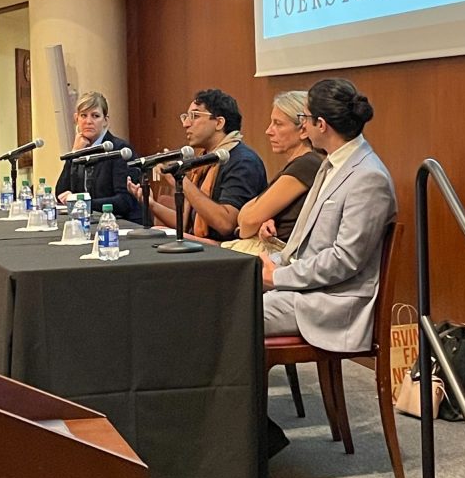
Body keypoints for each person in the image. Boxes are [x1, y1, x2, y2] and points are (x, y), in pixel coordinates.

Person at [262, 78, 397, 352]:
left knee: (231, 314)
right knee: (225, 296)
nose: (303, 125)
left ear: (321, 125)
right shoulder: (332, 163)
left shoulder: (368, 176)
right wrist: (264, 264)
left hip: (333, 302)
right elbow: (304, 245)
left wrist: (277, 277)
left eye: (305, 118)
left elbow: (345, 259)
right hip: (308, 289)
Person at [131, 88, 268, 241]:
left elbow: (226, 224)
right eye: (186, 117)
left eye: (194, 116)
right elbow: (186, 224)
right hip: (204, 247)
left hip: (229, 254)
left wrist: (180, 178)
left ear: (219, 122)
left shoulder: (243, 161)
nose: (186, 124)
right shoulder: (205, 161)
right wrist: (151, 204)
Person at [222, 90, 323, 255]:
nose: (269, 131)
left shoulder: (306, 165)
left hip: (279, 260)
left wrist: (256, 220)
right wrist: (260, 219)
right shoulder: (297, 165)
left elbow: (248, 221)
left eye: (278, 124)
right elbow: (246, 215)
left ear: (303, 130)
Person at [55, 91, 140, 221]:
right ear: (76, 119)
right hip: (89, 221)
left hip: (122, 223)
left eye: (95, 116)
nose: (88, 121)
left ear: (105, 121)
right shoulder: (80, 149)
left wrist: (83, 203)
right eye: (84, 115)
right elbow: (60, 193)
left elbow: (124, 201)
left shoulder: (120, 150)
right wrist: (73, 154)